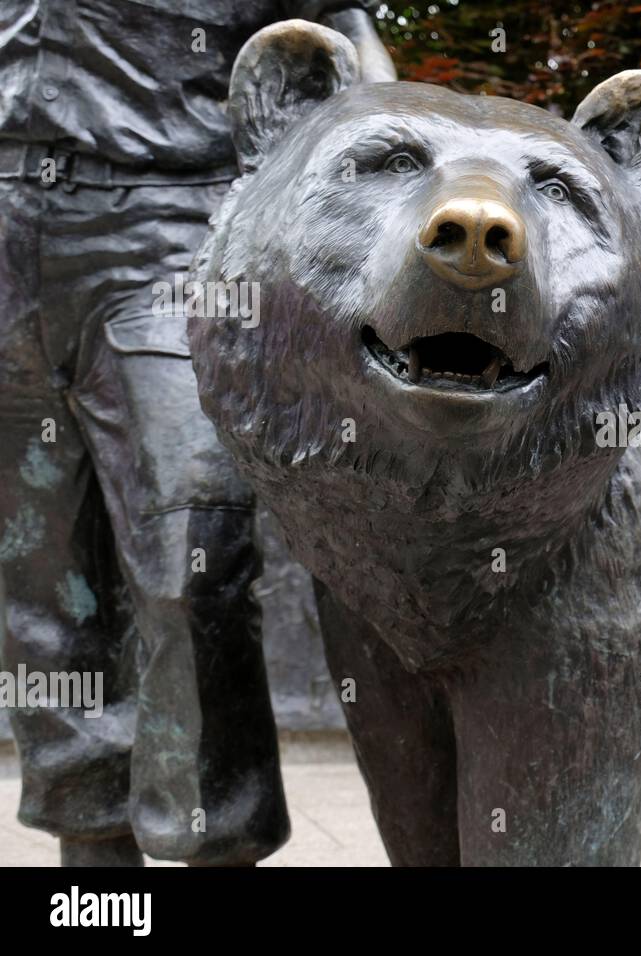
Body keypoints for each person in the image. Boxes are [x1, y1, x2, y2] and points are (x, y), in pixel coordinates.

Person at [0, 2, 394, 865]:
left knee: (193, 557)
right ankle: (93, 870)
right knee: (40, 585)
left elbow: (345, 38)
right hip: (8, 231)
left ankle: (218, 842)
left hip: (170, 227)